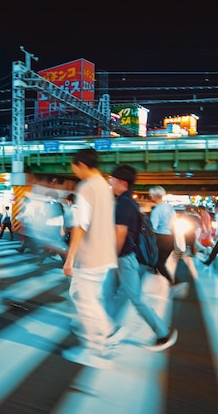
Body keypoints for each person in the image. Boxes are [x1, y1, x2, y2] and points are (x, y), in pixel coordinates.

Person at [107, 165, 178, 351]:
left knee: (135, 298)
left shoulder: (124, 204)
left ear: (122, 182)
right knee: (111, 292)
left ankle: (163, 333)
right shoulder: (130, 202)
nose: (110, 182)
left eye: (112, 179)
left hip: (124, 258)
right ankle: (108, 328)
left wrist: (113, 257)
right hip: (128, 257)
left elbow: (120, 233)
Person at [61, 148, 117, 369]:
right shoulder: (105, 186)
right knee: (84, 296)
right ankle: (106, 334)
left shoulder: (86, 188)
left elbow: (80, 225)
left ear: (82, 165)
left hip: (90, 255)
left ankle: (97, 348)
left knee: (85, 301)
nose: (74, 172)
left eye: (74, 168)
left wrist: (70, 258)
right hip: (105, 254)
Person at [149, 186, 182, 288]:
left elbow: (152, 227)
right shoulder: (169, 207)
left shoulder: (157, 210)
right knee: (160, 260)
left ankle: (172, 281)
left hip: (160, 238)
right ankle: (154, 269)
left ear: (155, 196)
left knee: (159, 263)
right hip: (170, 238)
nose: (150, 196)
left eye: (150, 194)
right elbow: (175, 223)